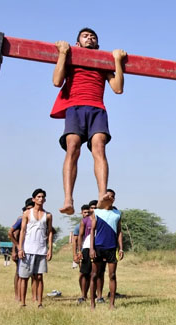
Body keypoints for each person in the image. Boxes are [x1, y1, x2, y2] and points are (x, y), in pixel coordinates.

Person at [51, 28, 127, 215]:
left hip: (97, 109)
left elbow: (117, 89)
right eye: (85, 36)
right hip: (75, 107)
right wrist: (62, 53)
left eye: (93, 37)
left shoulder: (103, 62)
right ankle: (68, 198)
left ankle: (102, 194)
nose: (90, 38)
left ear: (97, 44)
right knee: (73, 148)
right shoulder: (71, 57)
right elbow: (56, 81)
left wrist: (117, 61)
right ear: (78, 43)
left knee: (99, 147)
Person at [18, 189, 53, 308]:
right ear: (33, 199)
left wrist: (50, 249)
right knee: (24, 277)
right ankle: (23, 303)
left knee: (39, 276)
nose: (40, 198)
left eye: (42, 196)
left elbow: (50, 232)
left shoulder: (48, 215)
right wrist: (20, 248)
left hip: (41, 249)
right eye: (38, 196)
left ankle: (39, 303)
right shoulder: (27, 213)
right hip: (27, 249)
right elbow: (22, 230)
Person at [89, 190, 124, 310]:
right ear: (104, 198)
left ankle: (112, 304)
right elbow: (92, 231)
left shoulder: (117, 213)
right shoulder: (97, 212)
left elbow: (119, 231)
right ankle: (92, 304)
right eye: (108, 196)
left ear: (114, 199)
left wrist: (121, 248)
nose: (110, 198)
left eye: (112, 196)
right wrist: (91, 248)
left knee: (112, 275)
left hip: (111, 247)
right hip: (98, 247)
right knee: (94, 275)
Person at [9, 198, 34, 302]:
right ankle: (17, 295)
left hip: (33, 249)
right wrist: (15, 250)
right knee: (19, 273)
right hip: (22, 250)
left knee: (34, 274)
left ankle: (34, 296)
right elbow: (14, 234)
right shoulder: (22, 218)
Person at [74, 204, 92, 303]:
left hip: (92, 249)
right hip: (83, 250)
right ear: (81, 213)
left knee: (90, 274)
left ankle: (90, 293)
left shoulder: (94, 221)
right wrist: (76, 253)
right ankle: (83, 294)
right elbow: (75, 240)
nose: (86, 214)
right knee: (83, 273)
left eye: (88, 212)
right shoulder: (80, 225)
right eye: (85, 212)